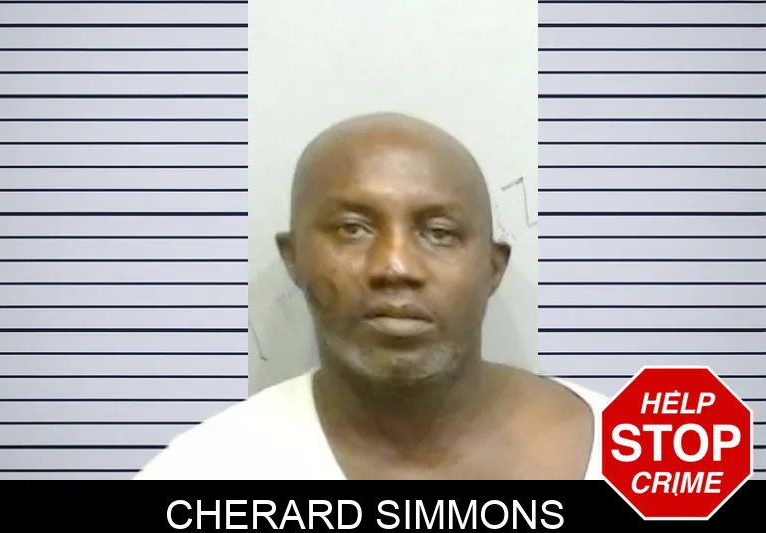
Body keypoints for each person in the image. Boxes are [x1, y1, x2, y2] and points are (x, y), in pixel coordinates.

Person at [135, 112, 608, 480]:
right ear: (293, 258)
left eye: (439, 233)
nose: (395, 267)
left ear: (492, 267)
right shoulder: (199, 472)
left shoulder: (640, 451)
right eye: (352, 228)